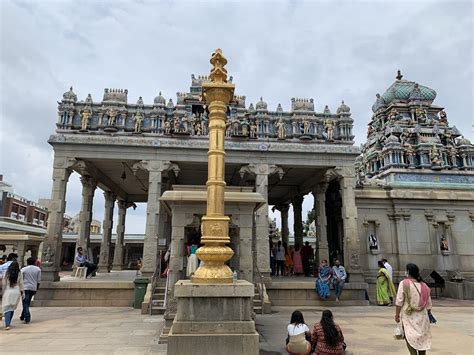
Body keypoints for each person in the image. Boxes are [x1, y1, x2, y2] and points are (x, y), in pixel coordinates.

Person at [395, 263, 432, 355]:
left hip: (409, 315)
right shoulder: (424, 286)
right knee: (422, 339)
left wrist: (397, 315)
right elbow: (429, 304)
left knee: (409, 336)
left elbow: (399, 301)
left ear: (408, 272)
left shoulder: (404, 283)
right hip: (423, 316)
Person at [2, 261, 24, 330]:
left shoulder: (7, 272)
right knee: (12, 307)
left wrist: (2, 291)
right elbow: (21, 283)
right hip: (16, 291)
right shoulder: (19, 273)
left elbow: (4, 283)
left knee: (7, 308)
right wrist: (22, 292)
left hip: (8, 290)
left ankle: (7, 324)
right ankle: (9, 322)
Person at [20, 257, 41, 324]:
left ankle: (27, 317)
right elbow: (38, 281)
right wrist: (36, 288)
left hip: (25, 287)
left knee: (25, 302)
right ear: (35, 262)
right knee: (27, 302)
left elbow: (20, 279)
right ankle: (23, 315)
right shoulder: (38, 269)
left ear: (27, 262)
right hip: (33, 287)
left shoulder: (24, 269)